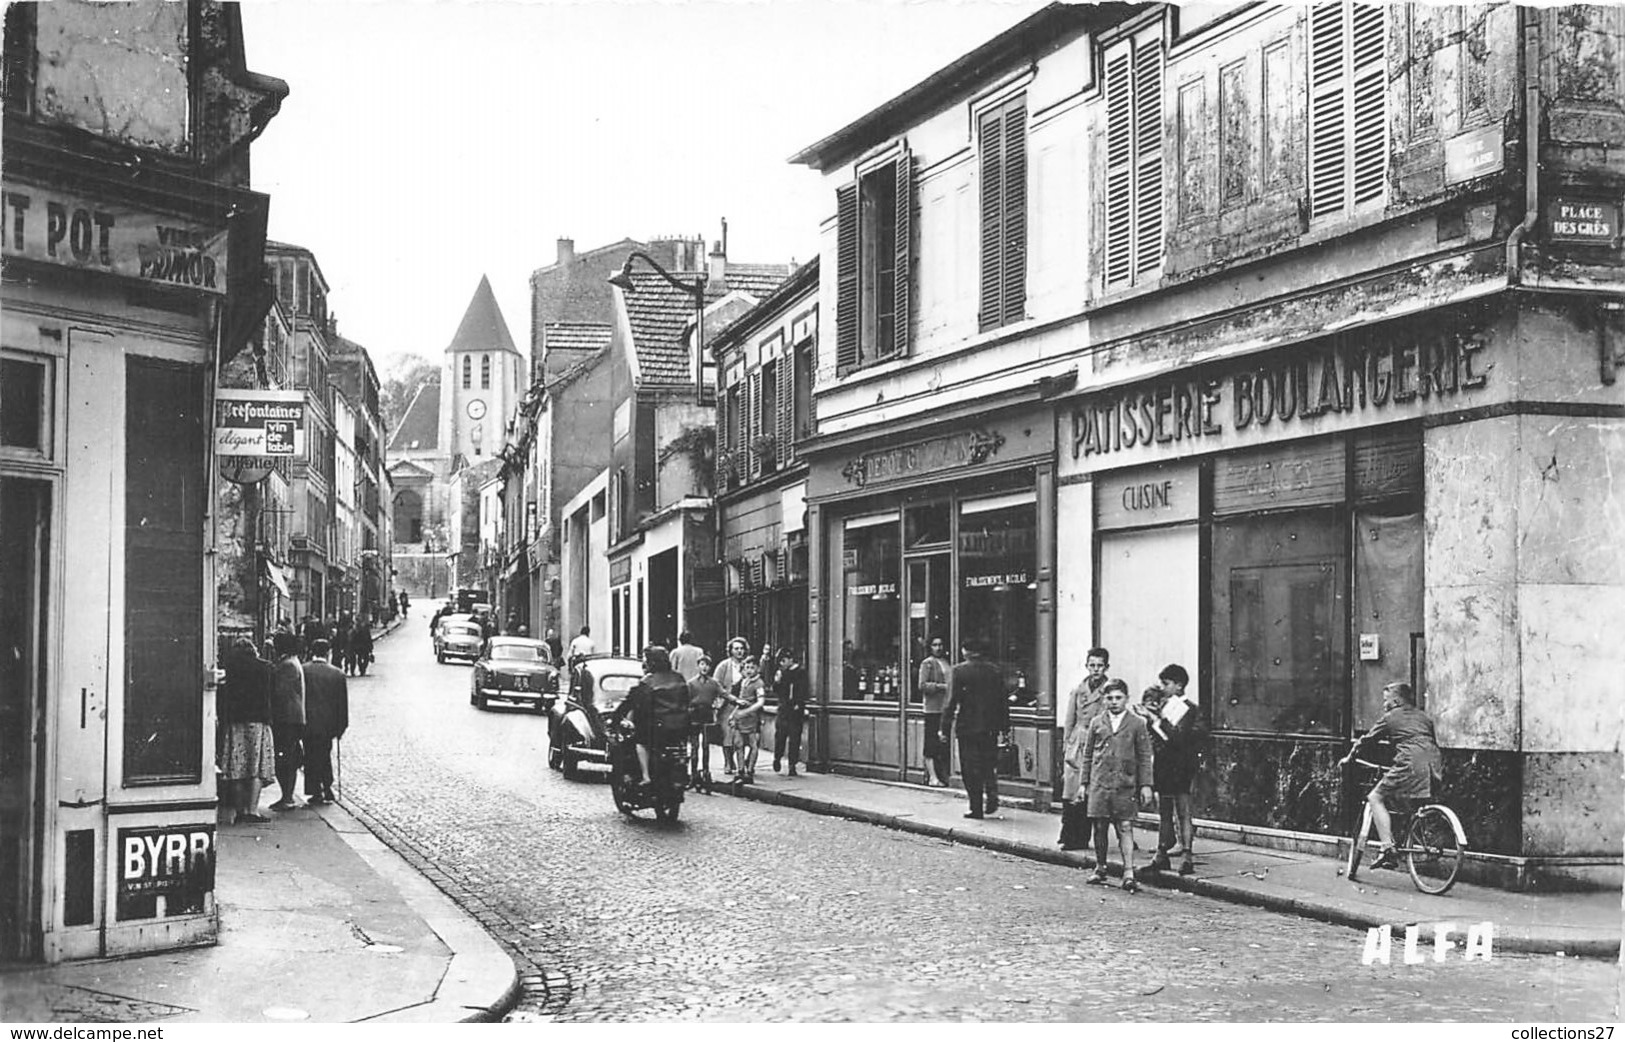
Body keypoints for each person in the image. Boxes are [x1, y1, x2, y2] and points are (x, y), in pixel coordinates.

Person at [1339, 681, 1442, 870]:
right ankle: (1403, 842)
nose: (1383, 704)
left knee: (1375, 797)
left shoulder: (1390, 717)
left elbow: (1367, 741)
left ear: (1395, 701)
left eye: (1385, 700)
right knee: (1405, 800)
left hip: (1409, 762)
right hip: (1432, 764)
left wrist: (1349, 758)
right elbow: (1426, 741)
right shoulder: (1424, 718)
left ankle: (1387, 849)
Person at [1081, 679, 1153, 892]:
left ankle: (1129, 872)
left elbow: (1144, 755)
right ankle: (1100, 866)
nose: (1114, 702)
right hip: (1100, 782)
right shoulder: (1096, 722)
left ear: (1126, 699)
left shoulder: (1137, 723)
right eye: (1109, 698)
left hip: (1125, 784)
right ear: (1104, 699)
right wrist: (1084, 783)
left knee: (1125, 826)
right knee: (1100, 826)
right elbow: (1087, 755)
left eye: (1118, 698)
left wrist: (1146, 785)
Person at [1143, 664, 1207, 875]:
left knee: (1183, 810)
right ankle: (1162, 852)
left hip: (1181, 765)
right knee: (1164, 810)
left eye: (1166, 683)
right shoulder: (1164, 706)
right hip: (1164, 763)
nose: (1163, 687)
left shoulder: (1188, 708)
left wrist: (1158, 721)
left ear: (1179, 685)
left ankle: (1187, 854)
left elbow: (1179, 737)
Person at [938, 639, 1009, 820]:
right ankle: (992, 795)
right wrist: (1005, 727)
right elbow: (1003, 702)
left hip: (967, 727)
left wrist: (944, 728)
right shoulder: (995, 671)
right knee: (988, 764)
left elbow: (951, 701)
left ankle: (975, 807)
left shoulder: (959, 671)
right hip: (990, 727)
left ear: (965, 651)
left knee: (970, 769)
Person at [606, 645, 690, 789]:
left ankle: (646, 776)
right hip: (680, 726)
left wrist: (615, 719)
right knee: (681, 748)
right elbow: (687, 699)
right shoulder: (679, 678)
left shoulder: (648, 682)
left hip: (656, 728)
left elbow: (630, 702)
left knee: (640, 742)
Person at [1059, 647, 1113, 850]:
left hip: (1098, 743)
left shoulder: (1110, 692)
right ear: (1086, 666)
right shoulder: (1078, 690)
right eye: (1092, 665)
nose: (1096, 670)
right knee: (1072, 791)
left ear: (1106, 667)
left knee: (1090, 791)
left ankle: (1082, 838)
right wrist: (1066, 745)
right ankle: (1068, 836)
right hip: (1077, 743)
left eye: (1100, 666)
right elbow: (1069, 719)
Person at [218, 638, 275, 823]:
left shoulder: (231, 669)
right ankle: (252, 810)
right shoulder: (266, 668)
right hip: (259, 721)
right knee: (256, 767)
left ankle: (241, 810)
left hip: (236, 722)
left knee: (237, 767)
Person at [301, 639, 349, 805]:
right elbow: (342, 704)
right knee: (324, 754)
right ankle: (326, 786)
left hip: (308, 722)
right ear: (327, 652)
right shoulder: (337, 673)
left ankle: (316, 789)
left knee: (310, 756)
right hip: (328, 724)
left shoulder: (304, 670)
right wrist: (341, 726)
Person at [268, 632, 307, 810]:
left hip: (287, 718)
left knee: (286, 757)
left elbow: (279, 692)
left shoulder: (287, 665)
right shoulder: (292, 662)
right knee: (288, 756)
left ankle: (287, 797)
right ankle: (287, 795)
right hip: (292, 717)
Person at [711, 637, 752, 775]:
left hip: (744, 705)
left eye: (741, 648)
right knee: (727, 735)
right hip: (728, 705)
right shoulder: (724, 666)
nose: (739, 651)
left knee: (743, 735)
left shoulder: (748, 665)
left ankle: (742, 762)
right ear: (730, 650)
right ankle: (728, 762)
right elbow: (716, 684)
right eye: (736, 649)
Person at [917, 635, 953, 787]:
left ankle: (942, 775)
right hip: (932, 708)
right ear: (930, 647)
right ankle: (932, 777)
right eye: (935, 645)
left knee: (942, 743)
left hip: (945, 707)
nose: (939, 648)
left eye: (941, 644)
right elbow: (922, 685)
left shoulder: (946, 662)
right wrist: (941, 687)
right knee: (931, 741)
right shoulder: (928, 663)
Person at [772, 647, 810, 776]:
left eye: (783, 660)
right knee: (780, 736)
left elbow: (803, 691)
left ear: (790, 660)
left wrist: (799, 704)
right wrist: (777, 681)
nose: (781, 664)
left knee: (795, 738)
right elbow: (776, 690)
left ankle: (792, 764)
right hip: (783, 709)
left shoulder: (801, 673)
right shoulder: (782, 673)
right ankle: (777, 757)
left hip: (795, 710)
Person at [729, 658, 767, 783]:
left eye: (752, 667)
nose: (749, 670)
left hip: (751, 718)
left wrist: (747, 711)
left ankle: (749, 771)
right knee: (738, 744)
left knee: (752, 744)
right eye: (747, 667)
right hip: (740, 717)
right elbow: (740, 700)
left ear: (757, 669)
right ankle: (740, 771)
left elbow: (760, 702)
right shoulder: (744, 682)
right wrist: (733, 714)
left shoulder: (758, 683)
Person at [686, 655, 722, 783]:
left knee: (706, 745)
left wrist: (736, 700)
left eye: (707, 665)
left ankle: (706, 770)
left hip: (707, 714)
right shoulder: (691, 683)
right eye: (702, 664)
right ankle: (694, 773)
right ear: (698, 666)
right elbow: (685, 699)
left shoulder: (713, 683)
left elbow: (724, 694)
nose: (704, 667)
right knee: (695, 746)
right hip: (694, 714)